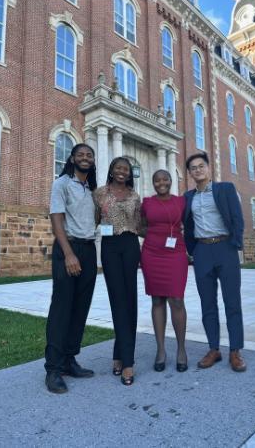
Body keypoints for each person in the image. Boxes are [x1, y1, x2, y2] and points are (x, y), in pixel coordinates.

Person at [183, 152, 246, 372]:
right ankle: (214, 349)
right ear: (189, 173)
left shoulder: (225, 189)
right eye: (193, 168)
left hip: (225, 248)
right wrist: (192, 250)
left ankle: (235, 351)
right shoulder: (187, 197)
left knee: (232, 302)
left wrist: (235, 245)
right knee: (207, 303)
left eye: (201, 166)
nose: (198, 170)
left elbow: (238, 219)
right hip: (202, 251)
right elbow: (186, 225)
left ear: (208, 169)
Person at [45, 143, 98, 394]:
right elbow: (56, 219)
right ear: (73, 158)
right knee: (62, 308)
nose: (85, 158)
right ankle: (53, 368)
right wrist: (68, 254)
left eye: (89, 155)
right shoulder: (62, 183)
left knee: (80, 308)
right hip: (69, 248)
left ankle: (69, 360)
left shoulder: (91, 188)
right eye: (81, 154)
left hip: (89, 249)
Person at [93, 157, 141, 386]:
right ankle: (125, 358)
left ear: (129, 174)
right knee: (117, 299)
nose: (122, 171)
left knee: (130, 299)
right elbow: (95, 221)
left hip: (130, 246)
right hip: (110, 247)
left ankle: (123, 358)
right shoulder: (100, 193)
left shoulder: (134, 196)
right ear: (111, 171)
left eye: (126, 169)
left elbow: (139, 225)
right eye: (118, 168)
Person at [141, 170, 188, 372]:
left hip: (176, 252)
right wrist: (155, 237)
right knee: (157, 300)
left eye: (165, 179)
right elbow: (141, 226)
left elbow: (188, 224)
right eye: (157, 180)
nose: (161, 183)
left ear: (170, 181)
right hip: (152, 253)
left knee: (176, 299)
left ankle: (181, 350)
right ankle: (161, 350)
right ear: (153, 183)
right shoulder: (147, 203)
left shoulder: (181, 202)